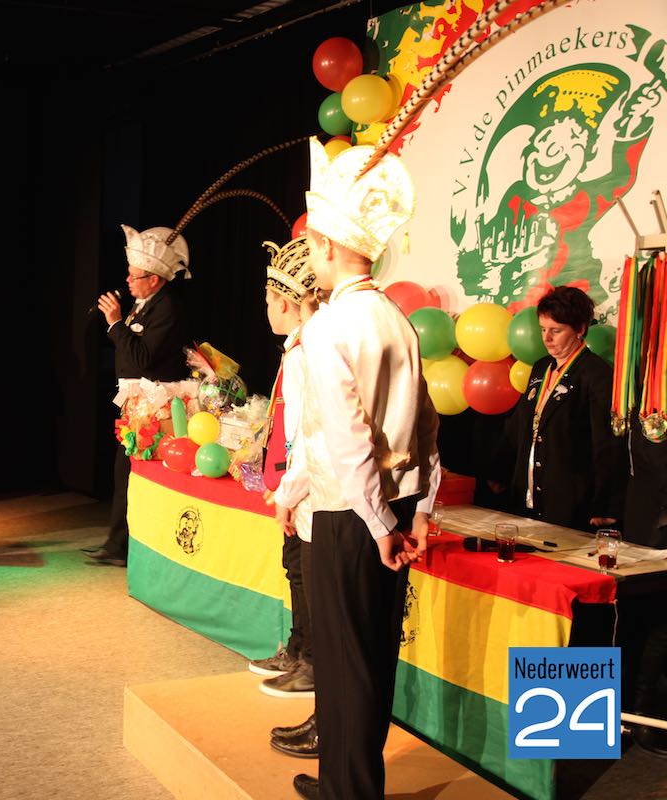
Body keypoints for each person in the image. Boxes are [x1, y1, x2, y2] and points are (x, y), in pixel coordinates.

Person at [289, 139, 441, 800]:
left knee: (345, 657)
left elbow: (349, 442)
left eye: (310, 245)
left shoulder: (330, 327)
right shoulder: (396, 319)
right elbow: (428, 425)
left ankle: (347, 791)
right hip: (395, 507)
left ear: (326, 244)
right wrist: (421, 511)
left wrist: (379, 525)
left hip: (355, 514)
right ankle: (351, 783)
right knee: (375, 653)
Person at [87, 225, 191, 566]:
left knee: (138, 476)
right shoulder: (144, 304)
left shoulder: (167, 307)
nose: (128, 280)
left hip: (155, 408)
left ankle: (126, 547)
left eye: (135, 276)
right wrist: (117, 325)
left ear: (155, 279)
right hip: (136, 406)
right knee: (124, 474)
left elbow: (143, 358)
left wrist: (116, 323)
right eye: (129, 274)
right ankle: (117, 544)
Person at [255, 236, 320, 721]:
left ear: (283, 302)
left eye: (267, 298)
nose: (266, 307)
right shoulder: (296, 347)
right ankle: (300, 649)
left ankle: (311, 661)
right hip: (299, 480)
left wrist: (288, 490)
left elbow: (304, 429)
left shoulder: (305, 352)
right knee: (295, 568)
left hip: (308, 484)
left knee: (305, 573)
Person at [497, 285, 626, 531]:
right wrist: (499, 470)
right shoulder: (541, 367)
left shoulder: (597, 374)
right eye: (543, 329)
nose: (546, 338)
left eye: (556, 331)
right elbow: (520, 424)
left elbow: (607, 444)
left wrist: (606, 504)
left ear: (580, 329)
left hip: (569, 497)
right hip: (527, 493)